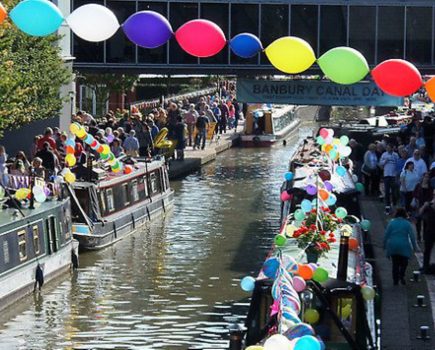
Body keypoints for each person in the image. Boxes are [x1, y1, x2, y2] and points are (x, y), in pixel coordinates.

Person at [383, 208, 417, 285]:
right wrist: (414, 247)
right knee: (404, 263)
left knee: (395, 263)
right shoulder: (407, 224)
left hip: (393, 245)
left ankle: (395, 280)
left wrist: (384, 245)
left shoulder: (391, 223)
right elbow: (412, 237)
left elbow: (386, 235)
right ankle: (402, 275)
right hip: (404, 245)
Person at [379, 144, 399, 214]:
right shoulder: (384, 155)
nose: (388, 149)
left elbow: (397, 164)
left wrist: (396, 174)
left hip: (393, 176)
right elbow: (380, 163)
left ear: (392, 148)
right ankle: (387, 207)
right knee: (387, 192)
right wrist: (385, 161)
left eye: (389, 148)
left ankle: (394, 206)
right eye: (387, 148)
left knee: (394, 192)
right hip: (386, 175)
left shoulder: (395, 155)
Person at [419, 189, 435, 273]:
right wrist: (425, 206)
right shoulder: (429, 205)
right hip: (429, 230)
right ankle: (425, 267)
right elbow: (420, 213)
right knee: (427, 250)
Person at [413, 173, 433, 241]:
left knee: (425, 223)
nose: (426, 178)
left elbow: (431, 197)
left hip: (426, 206)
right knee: (418, 222)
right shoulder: (418, 185)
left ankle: (424, 236)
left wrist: (427, 203)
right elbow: (414, 194)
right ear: (423, 177)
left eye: (427, 177)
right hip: (418, 205)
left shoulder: (430, 187)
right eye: (425, 177)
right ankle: (418, 236)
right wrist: (416, 199)